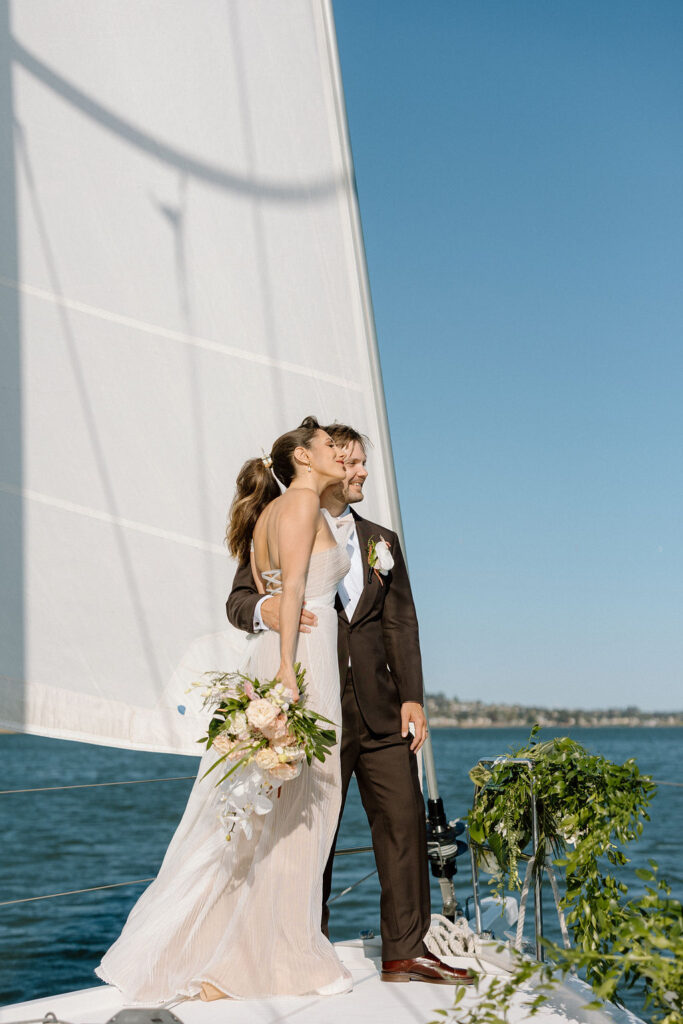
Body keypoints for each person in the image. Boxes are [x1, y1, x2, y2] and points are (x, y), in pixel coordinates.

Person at [96, 417, 354, 1002]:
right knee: (300, 813)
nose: (338, 453)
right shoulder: (301, 507)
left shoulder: (272, 511)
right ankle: (277, 958)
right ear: (303, 459)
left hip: (282, 653)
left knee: (269, 812)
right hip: (299, 659)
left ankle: (240, 948)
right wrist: (290, 670)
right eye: (327, 447)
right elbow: (289, 592)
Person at [228, 423, 473, 986]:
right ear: (326, 460)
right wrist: (263, 610)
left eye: (365, 462)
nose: (362, 470)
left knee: (404, 823)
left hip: (383, 710)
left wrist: (413, 694)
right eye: (353, 460)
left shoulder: (380, 538)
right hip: (315, 707)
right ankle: (299, 948)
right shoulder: (287, 513)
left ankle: (405, 952)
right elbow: (240, 599)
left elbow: (400, 620)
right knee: (309, 830)